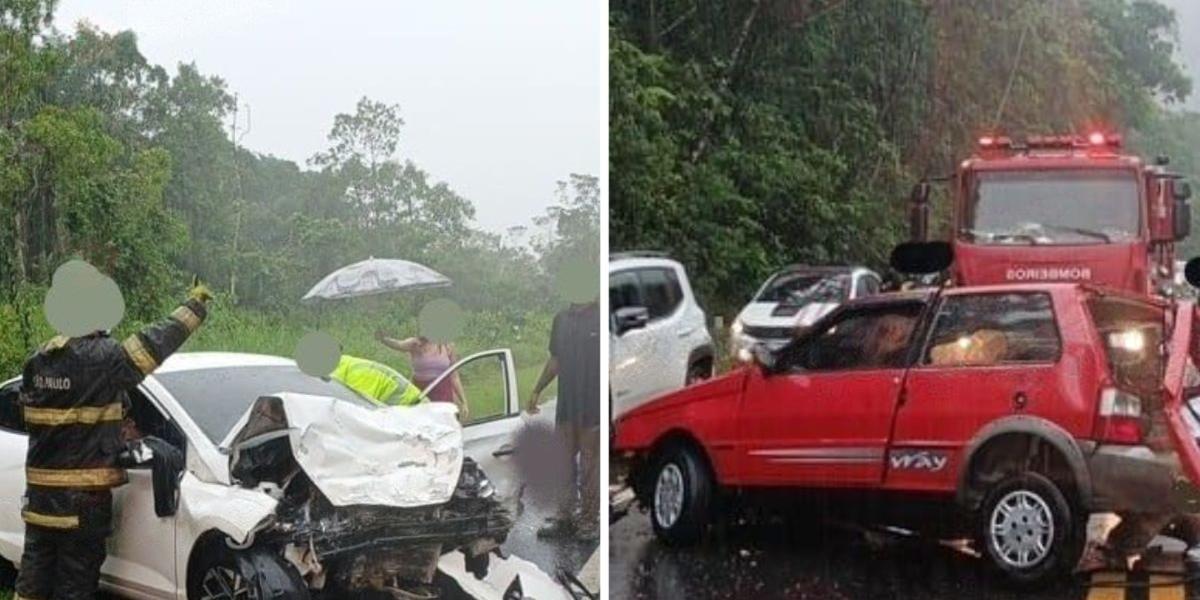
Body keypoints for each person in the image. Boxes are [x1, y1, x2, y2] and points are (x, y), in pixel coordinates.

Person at [16, 280, 212, 600]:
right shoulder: (104, 360)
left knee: (33, 581)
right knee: (74, 586)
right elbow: (153, 344)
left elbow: (43, 416)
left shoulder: (39, 360)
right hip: (82, 504)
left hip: (40, 502)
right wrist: (193, 308)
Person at [527, 297, 601, 541]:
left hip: (594, 407)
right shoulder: (561, 319)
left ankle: (589, 521)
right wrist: (537, 390)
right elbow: (555, 360)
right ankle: (564, 517)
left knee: (590, 467)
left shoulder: (602, 316)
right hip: (567, 406)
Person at [376, 331, 468, 420]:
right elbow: (398, 344)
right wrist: (384, 339)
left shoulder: (447, 345)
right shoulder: (414, 344)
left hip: (443, 395)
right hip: (422, 393)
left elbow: (454, 375)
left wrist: (463, 402)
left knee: (446, 424)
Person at [330, 353, 423, 406]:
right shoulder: (345, 368)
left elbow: (363, 412)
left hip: (414, 409)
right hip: (400, 411)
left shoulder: (358, 375)